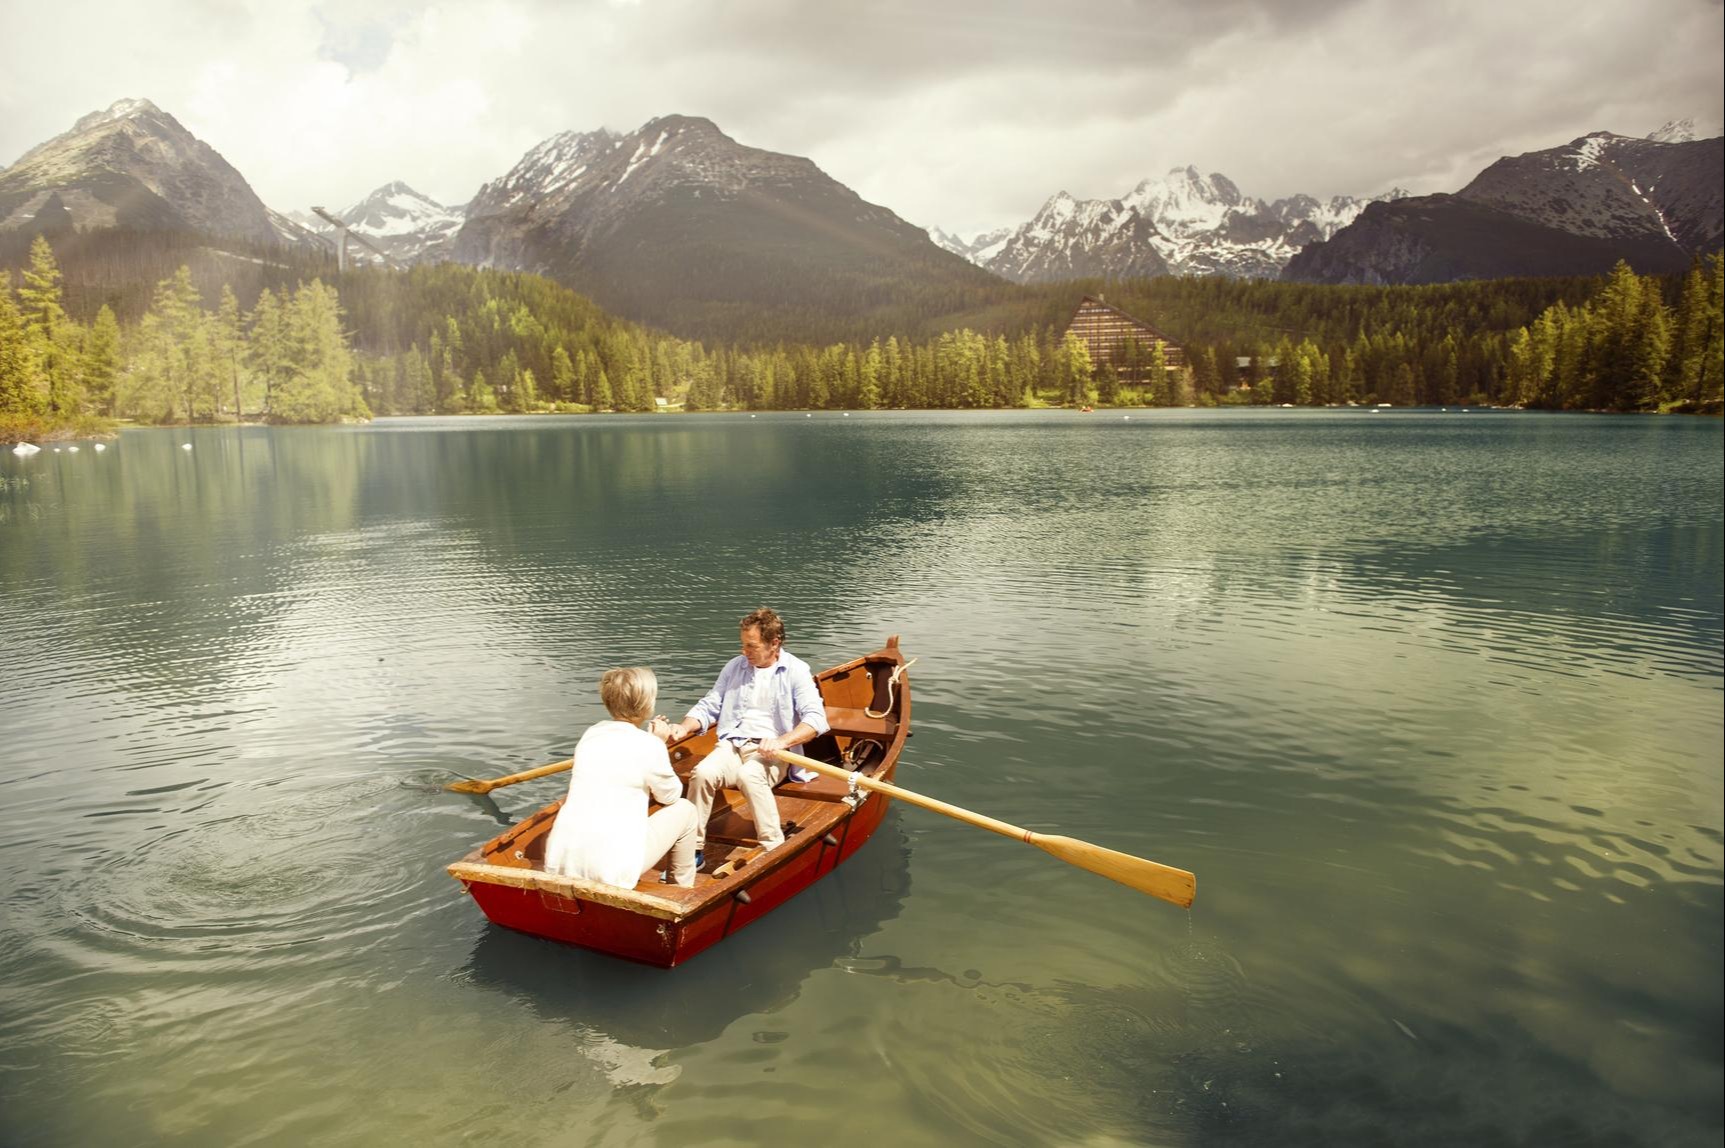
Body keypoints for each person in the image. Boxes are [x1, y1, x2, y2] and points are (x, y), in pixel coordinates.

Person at [663, 608, 829, 863]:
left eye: (751, 646)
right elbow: (710, 705)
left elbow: (815, 720)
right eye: (743, 645)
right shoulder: (735, 667)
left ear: (774, 643)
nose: (744, 652)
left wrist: (781, 741)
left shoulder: (796, 670)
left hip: (773, 753)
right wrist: (684, 727)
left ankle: (774, 848)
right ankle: (693, 849)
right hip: (732, 745)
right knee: (703, 774)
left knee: (749, 775)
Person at [542, 666, 698, 888]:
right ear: (647, 704)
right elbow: (670, 796)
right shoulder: (649, 745)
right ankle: (681, 892)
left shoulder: (591, 734)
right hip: (612, 869)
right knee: (686, 810)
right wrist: (658, 744)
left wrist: (653, 744)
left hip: (559, 862)